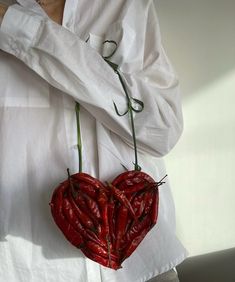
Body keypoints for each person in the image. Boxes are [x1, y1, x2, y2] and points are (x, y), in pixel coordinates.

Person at [0, 0, 188, 281]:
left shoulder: (124, 7)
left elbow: (163, 130)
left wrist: (23, 31)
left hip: (141, 266)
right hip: (24, 266)